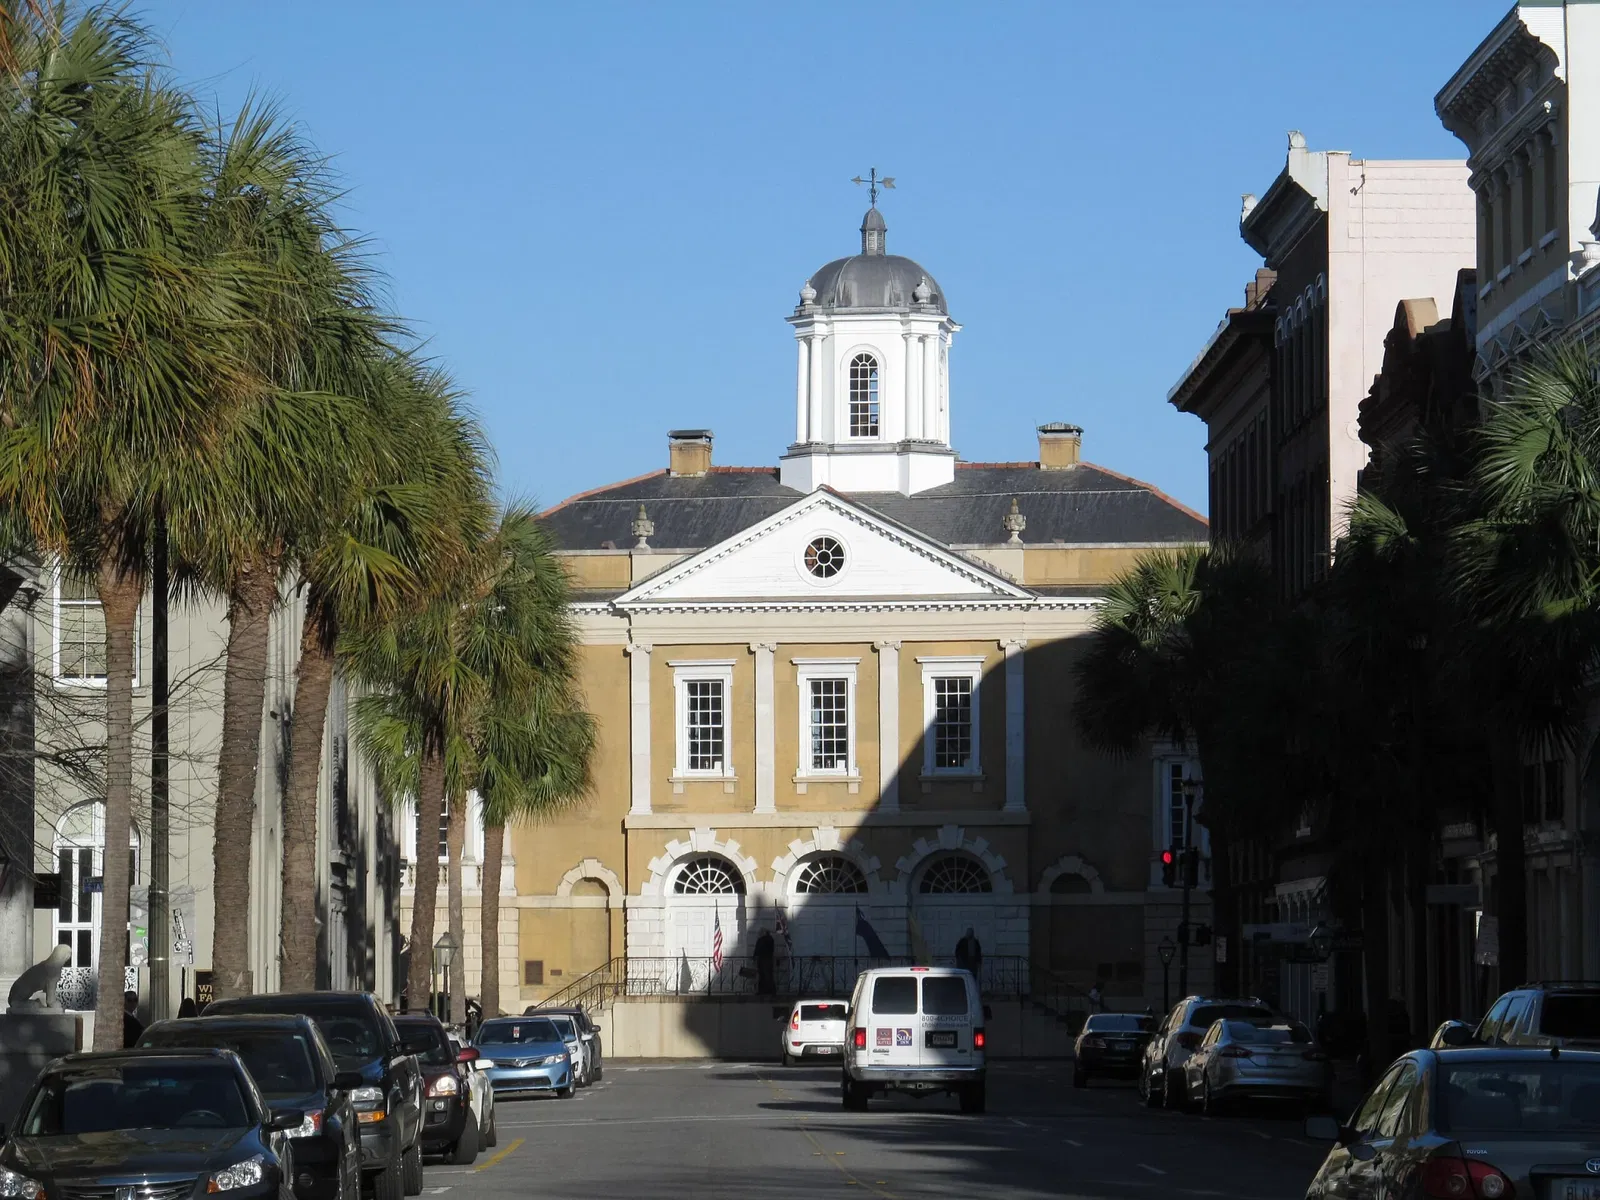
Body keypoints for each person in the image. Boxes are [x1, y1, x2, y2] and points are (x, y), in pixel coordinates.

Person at [753, 928, 776, 996]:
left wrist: (754, 956)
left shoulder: (762, 940)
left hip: (763, 959)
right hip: (769, 959)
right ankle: (770, 990)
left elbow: (758, 949)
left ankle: (764, 991)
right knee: (768, 975)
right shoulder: (771, 939)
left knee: (763, 975)